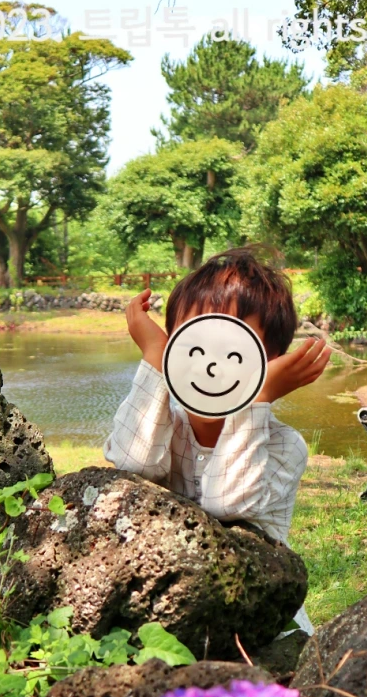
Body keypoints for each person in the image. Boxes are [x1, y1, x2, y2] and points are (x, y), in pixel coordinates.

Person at [104, 248, 331, 635]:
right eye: (195, 341)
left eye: (235, 346)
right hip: (169, 617)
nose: (213, 364)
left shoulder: (283, 446)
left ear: (271, 360)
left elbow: (226, 504)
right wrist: (154, 358)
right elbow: (132, 463)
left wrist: (256, 399)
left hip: (260, 624)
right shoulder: (165, 425)